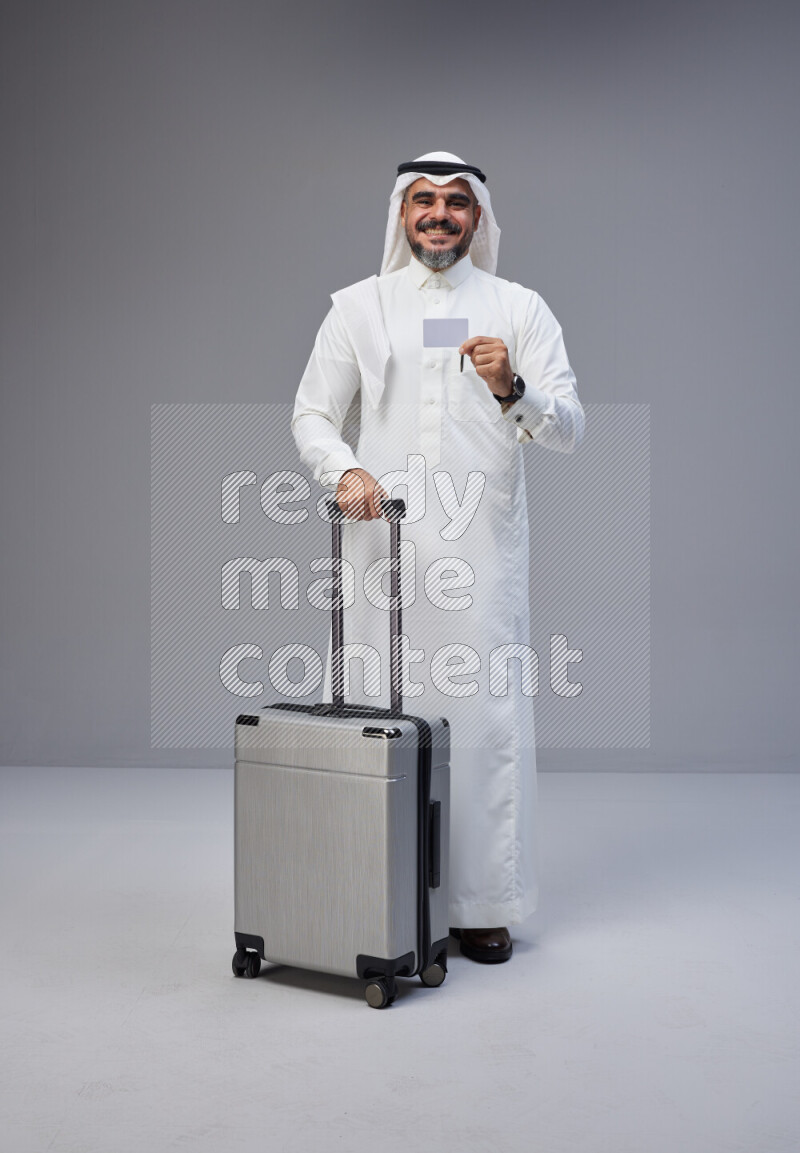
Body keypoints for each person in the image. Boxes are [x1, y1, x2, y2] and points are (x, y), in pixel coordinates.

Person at [292, 151, 584, 964]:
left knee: (482, 721)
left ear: (479, 218)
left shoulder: (518, 308)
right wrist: (343, 467)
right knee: (373, 715)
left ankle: (480, 903)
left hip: (480, 550)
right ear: (401, 214)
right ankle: (367, 889)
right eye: (423, 200)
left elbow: (569, 428)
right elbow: (312, 413)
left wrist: (512, 386)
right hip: (378, 544)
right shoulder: (358, 307)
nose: (440, 215)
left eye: (457, 202)